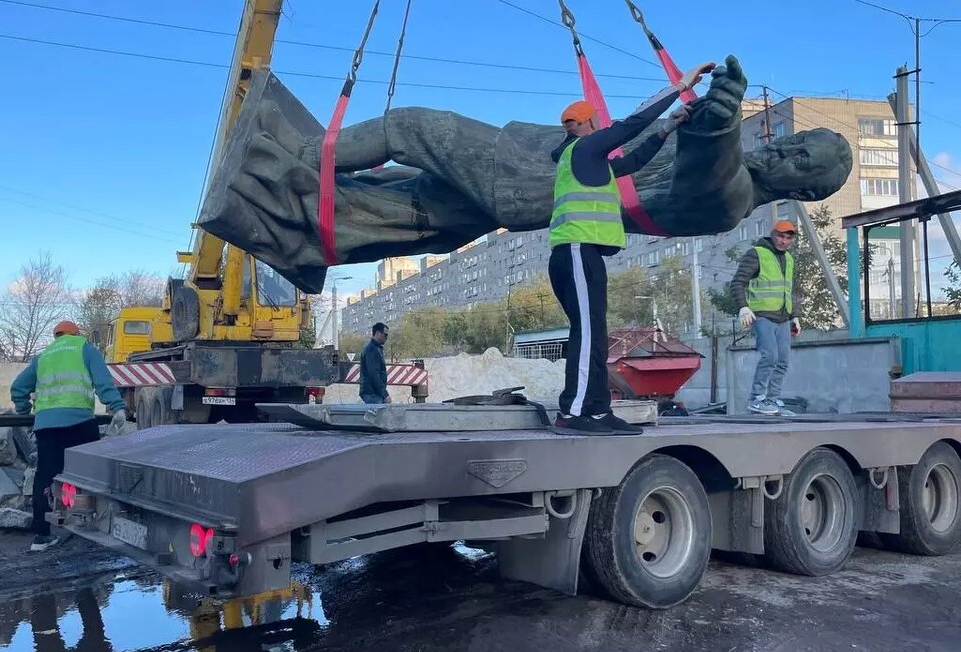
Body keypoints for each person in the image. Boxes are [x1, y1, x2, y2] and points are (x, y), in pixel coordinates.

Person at [194, 56, 853, 294]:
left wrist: (716, 118)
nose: (784, 153)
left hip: (528, 178)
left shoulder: (732, 200)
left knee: (411, 127)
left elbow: (707, 177)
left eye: (800, 162)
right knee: (415, 213)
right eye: (795, 143)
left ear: (806, 190)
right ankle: (296, 230)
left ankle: (295, 157)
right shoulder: (733, 173)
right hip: (529, 188)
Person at [548, 62, 714, 436]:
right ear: (591, 125)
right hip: (575, 250)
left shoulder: (589, 161)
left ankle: (595, 409)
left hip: (582, 254)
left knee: (592, 332)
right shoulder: (585, 148)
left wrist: (669, 127)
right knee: (587, 333)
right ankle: (574, 413)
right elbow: (631, 123)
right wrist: (681, 85)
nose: (605, 130)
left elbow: (633, 161)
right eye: (599, 124)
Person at [11, 320, 128, 552]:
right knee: (88, 475)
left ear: (56, 336)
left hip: (46, 426)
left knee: (45, 476)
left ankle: (41, 536)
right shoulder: (84, 348)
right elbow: (103, 381)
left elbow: (18, 387)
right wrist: (117, 406)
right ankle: (89, 525)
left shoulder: (43, 356)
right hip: (80, 422)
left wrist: (23, 409)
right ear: (77, 333)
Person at [732, 220, 801, 416]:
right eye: (780, 236)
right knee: (769, 356)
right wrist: (743, 307)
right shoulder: (757, 254)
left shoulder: (789, 259)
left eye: (788, 238)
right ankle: (757, 398)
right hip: (762, 316)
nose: (784, 241)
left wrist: (795, 316)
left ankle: (773, 400)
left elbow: (789, 290)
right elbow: (737, 282)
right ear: (772, 234)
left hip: (783, 318)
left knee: (783, 361)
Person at [359, 322, 390, 404]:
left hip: (373, 392)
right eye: (385, 335)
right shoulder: (372, 350)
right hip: (372, 393)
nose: (386, 338)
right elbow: (374, 374)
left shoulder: (374, 349)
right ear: (377, 333)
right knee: (378, 416)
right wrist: (385, 394)